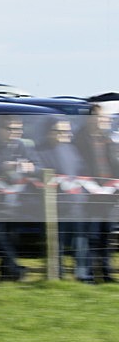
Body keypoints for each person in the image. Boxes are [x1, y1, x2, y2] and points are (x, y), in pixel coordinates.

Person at [0, 115, 42, 280]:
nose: (14, 133)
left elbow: (41, 166)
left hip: (18, 200)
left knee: (10, 236)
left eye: (18, 129)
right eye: (10, 129)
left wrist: (31, 167)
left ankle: (7, 270)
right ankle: (15, 269)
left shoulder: (24, 147)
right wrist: (2, 167)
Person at [37, 117, 90, 282]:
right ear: (49, 133)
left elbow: (82, 170)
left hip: (76, 204)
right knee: (56, 242)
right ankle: (56, 275)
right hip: (54, 206)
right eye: (60, 131)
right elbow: (37, 171)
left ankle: (82, 275)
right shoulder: (40, 151)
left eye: (67, 131)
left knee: (80, 241)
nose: (66, 134)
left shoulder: (72, 149)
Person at [73, 104, 119, 283]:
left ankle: (106, 274)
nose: (106, 122)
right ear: (92, 119)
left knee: (105, 235)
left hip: (108, 195)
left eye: (107, 119)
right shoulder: (80, 140)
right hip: (89, 196)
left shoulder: (108, 140)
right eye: (103, 118)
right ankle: (89, 274)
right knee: (91, 236)